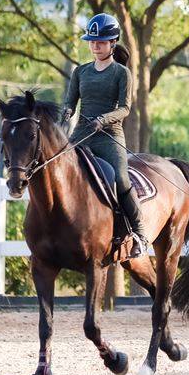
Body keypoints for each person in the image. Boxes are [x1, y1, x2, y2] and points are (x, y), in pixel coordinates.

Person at [62, 13, 149, 258]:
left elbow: (125, 108)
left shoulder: (121, 73)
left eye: (100, 42)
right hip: (81, 133)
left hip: (109, 135)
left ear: (112, 43)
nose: (95, 46)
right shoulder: (81, 72)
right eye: (92, 42)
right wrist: (66, 111)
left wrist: (103, 119)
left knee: (121, 179)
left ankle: (140, 233)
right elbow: (70, 102)